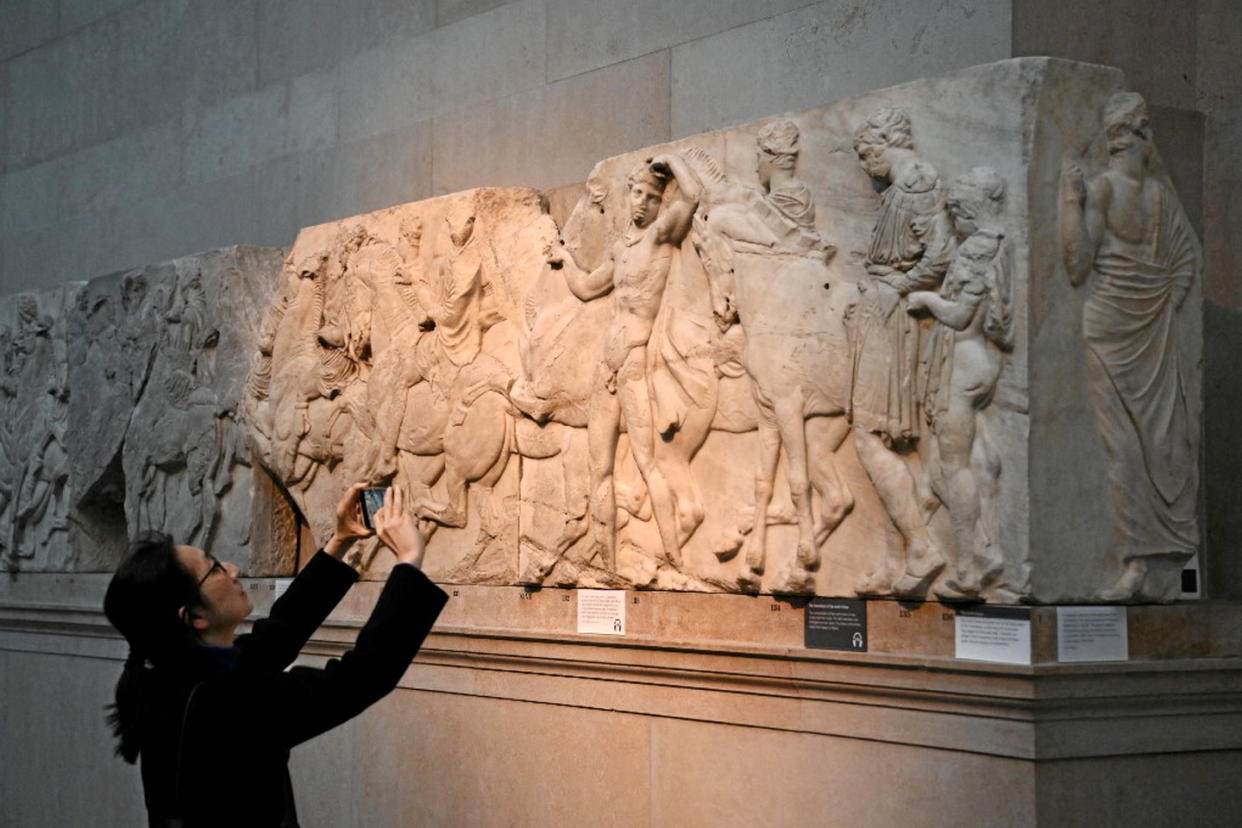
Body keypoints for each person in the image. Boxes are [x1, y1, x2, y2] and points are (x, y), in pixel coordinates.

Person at [103, 483, 448, 827]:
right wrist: (408, 563)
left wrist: (339, 541)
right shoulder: (222, 701)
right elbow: (357, 680)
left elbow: (273, 639)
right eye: (215, 569)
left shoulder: (171, 678)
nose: (233, 569)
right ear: (194, 617)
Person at [547, 154, 702, 573]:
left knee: (649, 462)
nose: (641, 203)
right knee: (600, 469)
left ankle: (675, 557)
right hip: (606, 368)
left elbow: (693, 196)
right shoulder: (619, 249)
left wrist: (672, 162)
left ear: (658, 203)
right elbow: (586, 288)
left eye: (651, 198)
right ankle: (608, 563)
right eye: (637, 194)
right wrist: (565, 261)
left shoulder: (661, 238)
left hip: (636, 363)